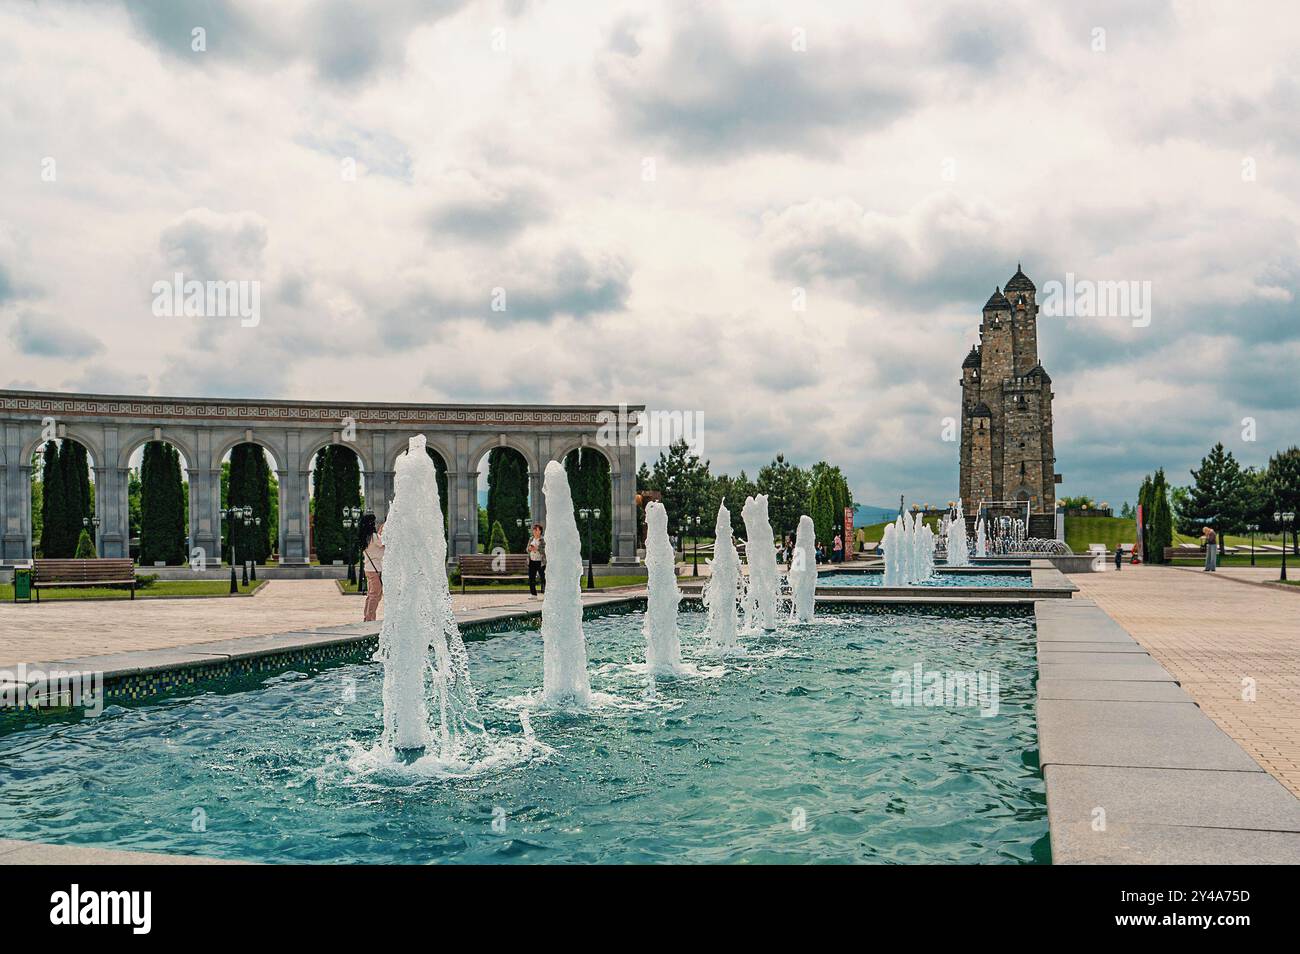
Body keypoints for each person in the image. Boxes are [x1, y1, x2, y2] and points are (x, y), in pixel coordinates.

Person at [360, 514, 384, 622]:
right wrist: (383, 529)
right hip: (376, 570)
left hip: (369, 569)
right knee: (375, 595)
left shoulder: (366, 537)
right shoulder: (374, 537)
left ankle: (367, 617)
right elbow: (385, 543)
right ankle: (369, 619)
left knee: (371, 594)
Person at [527, 522, 546, 598]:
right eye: (534, 530)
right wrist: (529, 548)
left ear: (540, 531)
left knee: (543, 577)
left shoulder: (543, 540)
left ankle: (545, 593)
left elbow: (545, 550)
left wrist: (537, 548)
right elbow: (527, 549)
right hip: (532, 560)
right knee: (531, 577)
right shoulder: (531, 539)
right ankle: (533, 594)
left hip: (540, 561)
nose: (534, 531)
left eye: (536, 530)